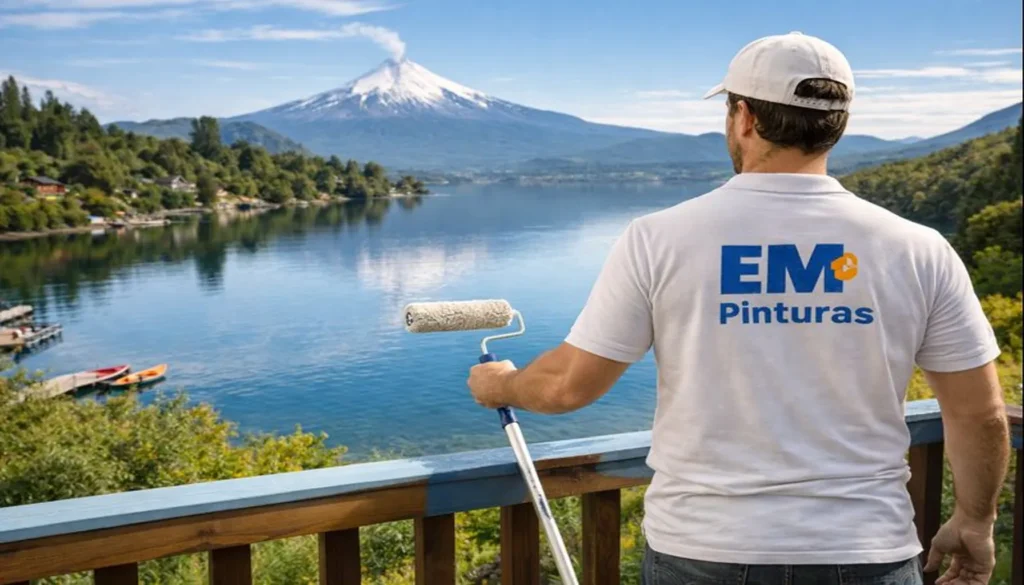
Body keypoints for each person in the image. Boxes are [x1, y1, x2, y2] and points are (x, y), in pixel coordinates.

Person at [466, 32, 1010, 585]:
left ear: (743, 117)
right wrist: (975, 519)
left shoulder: (659, 238)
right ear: (838, 124)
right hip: (868, 550)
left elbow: (568, 387)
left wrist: (502, 387)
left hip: (702, 551)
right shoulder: (918, 248)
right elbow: (978, 413)